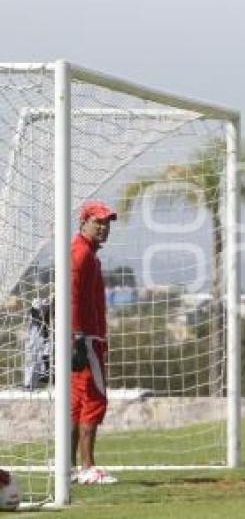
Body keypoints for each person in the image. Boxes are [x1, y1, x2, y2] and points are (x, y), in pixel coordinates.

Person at [70, 200, 118, 485]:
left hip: (87, 337)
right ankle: (87, 467)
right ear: (84, 222)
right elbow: (71, 295)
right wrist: (76, 336)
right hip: (85, 339)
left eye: (107, 222)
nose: (103, 227)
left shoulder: (87, 253)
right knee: (95, 399)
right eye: (98, 221)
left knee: (76, 402)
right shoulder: (81, 254)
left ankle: (69, 467)